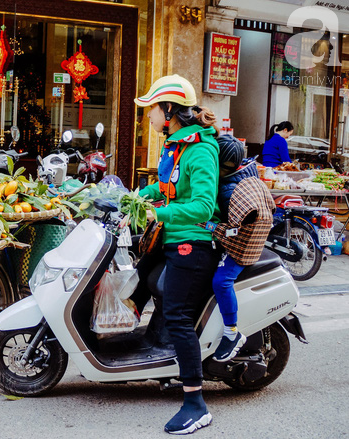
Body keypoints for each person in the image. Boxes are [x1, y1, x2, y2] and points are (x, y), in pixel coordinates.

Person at [132, 74, 220, 434]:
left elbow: (202, 205)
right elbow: (167, 186)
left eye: (151, 110)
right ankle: (160, 360)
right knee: (143, 278)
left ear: (168, 110)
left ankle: (196, 403)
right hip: (170, 239)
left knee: (178, 317)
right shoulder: (175, 146)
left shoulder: (200, 149)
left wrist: (159, 213)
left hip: (193, 244)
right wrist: (136, 196)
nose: (148, 117)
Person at [207, 135, 276, 362]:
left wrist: (206, 224)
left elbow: (230, 229)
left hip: (241, 245)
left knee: (221, 281)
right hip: (248, 237)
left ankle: (231, 332)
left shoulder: (227, 190)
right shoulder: (248, 171)